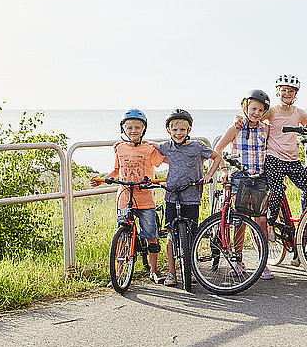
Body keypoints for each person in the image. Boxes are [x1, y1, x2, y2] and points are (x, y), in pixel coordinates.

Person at [235, 74, 307, 267]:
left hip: (293, 160)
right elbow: (252, 117)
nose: (287, 94)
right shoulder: (272, 111)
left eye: (291, 91)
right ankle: (270, 225)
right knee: (278, 191)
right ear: (278, 92)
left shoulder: (300, 113)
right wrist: (238, 117)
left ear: (295, 94)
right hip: (273, 159)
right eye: (283, 90)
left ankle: (305, 225)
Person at [90, 109, 166, 283]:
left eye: (137, 127)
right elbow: (117, 170)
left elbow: (164, 160)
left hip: (145, 198)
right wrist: (102, 180)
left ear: (143, 129)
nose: (133, 130)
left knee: (150, 234)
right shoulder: (119, 148)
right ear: (123, 129)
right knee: (122, 237)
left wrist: (155, 145)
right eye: (129, 127)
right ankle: (119, 274)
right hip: (124, 197)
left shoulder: (149, 148)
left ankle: (154, 271)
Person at [215, 89, 275, 279]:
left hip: (259, 178)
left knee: (261, 221)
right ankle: (238, 262)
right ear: (245, 108)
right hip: (240, 178)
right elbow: (217, 149)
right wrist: (223, 169)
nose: (256, 112)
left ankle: (262, 263)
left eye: (260, 110)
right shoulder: (236, 128)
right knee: (239, 221)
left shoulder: (266, 129)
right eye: (253, 108)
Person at [158, 109, 222, 287]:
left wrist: (209, 175)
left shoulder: (197, 146)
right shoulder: (166, 146)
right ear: (169, 131)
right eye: (175, 130)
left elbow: (216, 157)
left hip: (192, 195)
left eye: (183, 130)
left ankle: (192, 268)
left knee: (192, 234)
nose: (179, 133)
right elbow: (150, 148)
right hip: (172, 194)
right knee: (171, 234)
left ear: (189, 130)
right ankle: (172, 273)